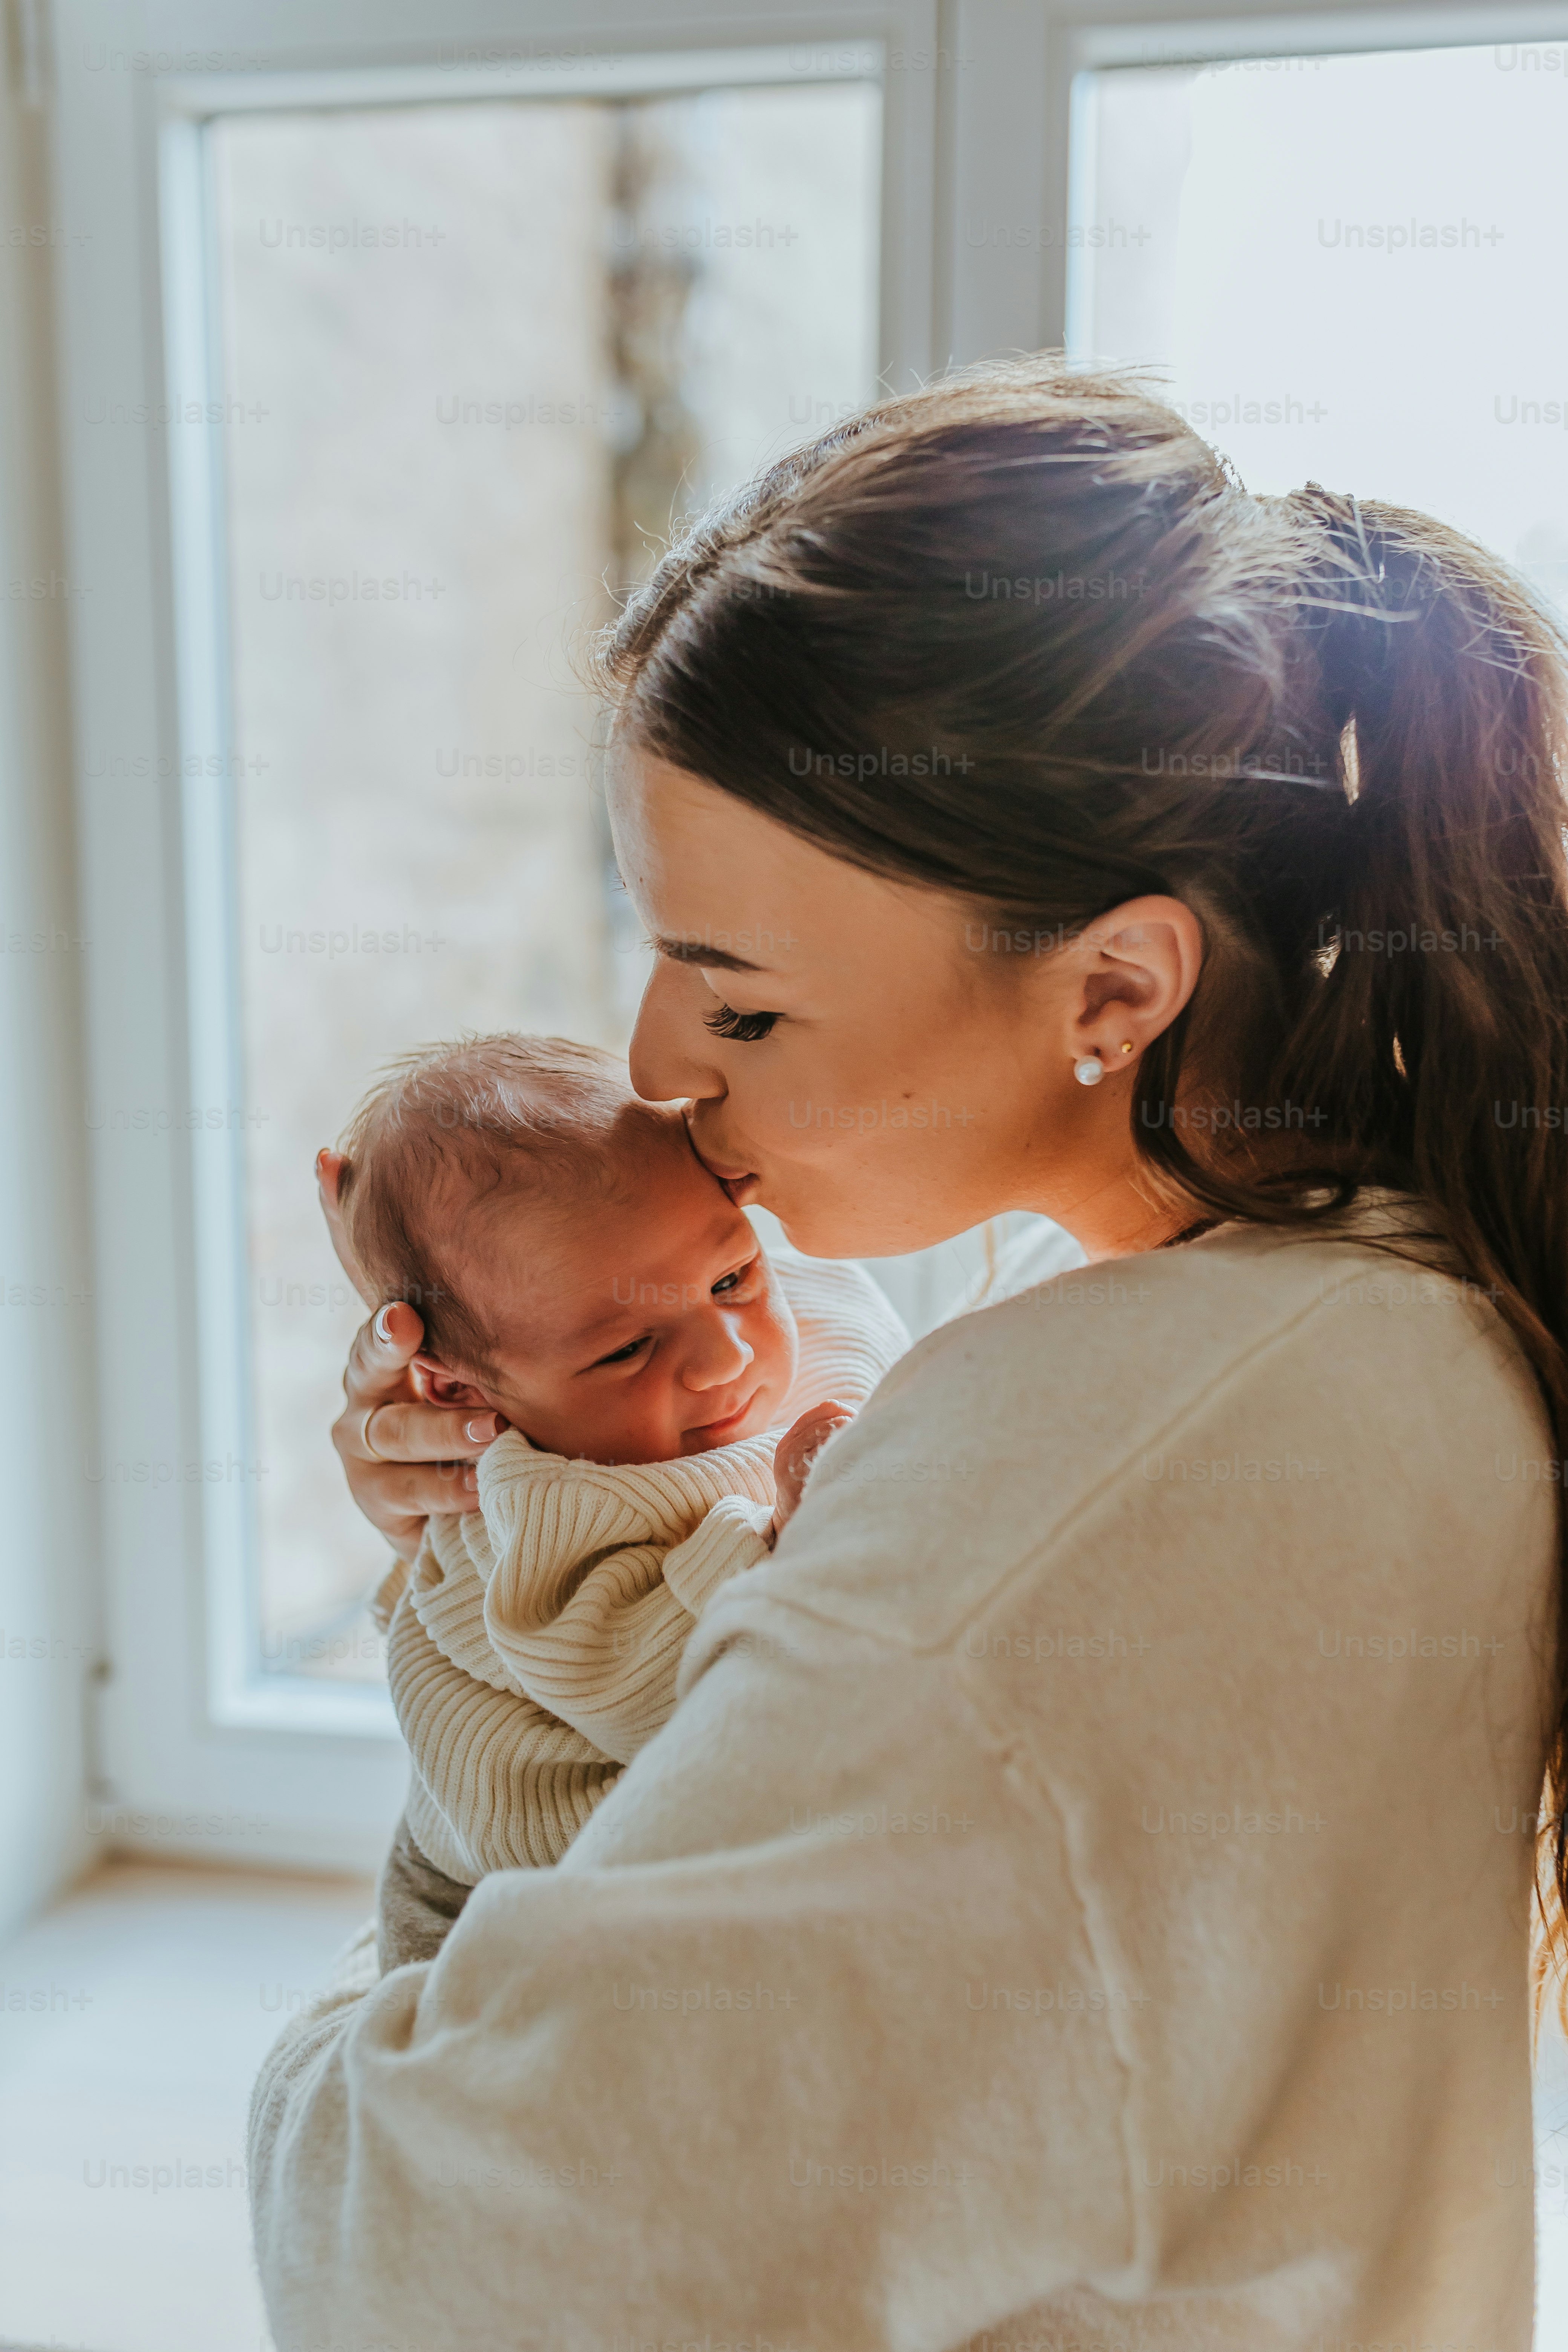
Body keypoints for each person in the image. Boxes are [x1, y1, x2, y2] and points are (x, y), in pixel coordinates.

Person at [251, 359, 1568, 2350]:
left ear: (1113, 989)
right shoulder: (1382, 1275)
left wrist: (434, 1884)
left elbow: (417, 2251)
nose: (654, 1066)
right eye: (658, 953)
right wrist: (524, 1520)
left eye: (742, 1004)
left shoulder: (1037, 1530)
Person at [328, 1029, 905, 1966]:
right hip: (490, 1877)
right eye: (629, 1349)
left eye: (732, 1278)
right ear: (461, 1391)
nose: (725, 1356)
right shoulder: (543, 1511)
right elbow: (635, 1688)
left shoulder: (810, 1296)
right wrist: (772, 1538)